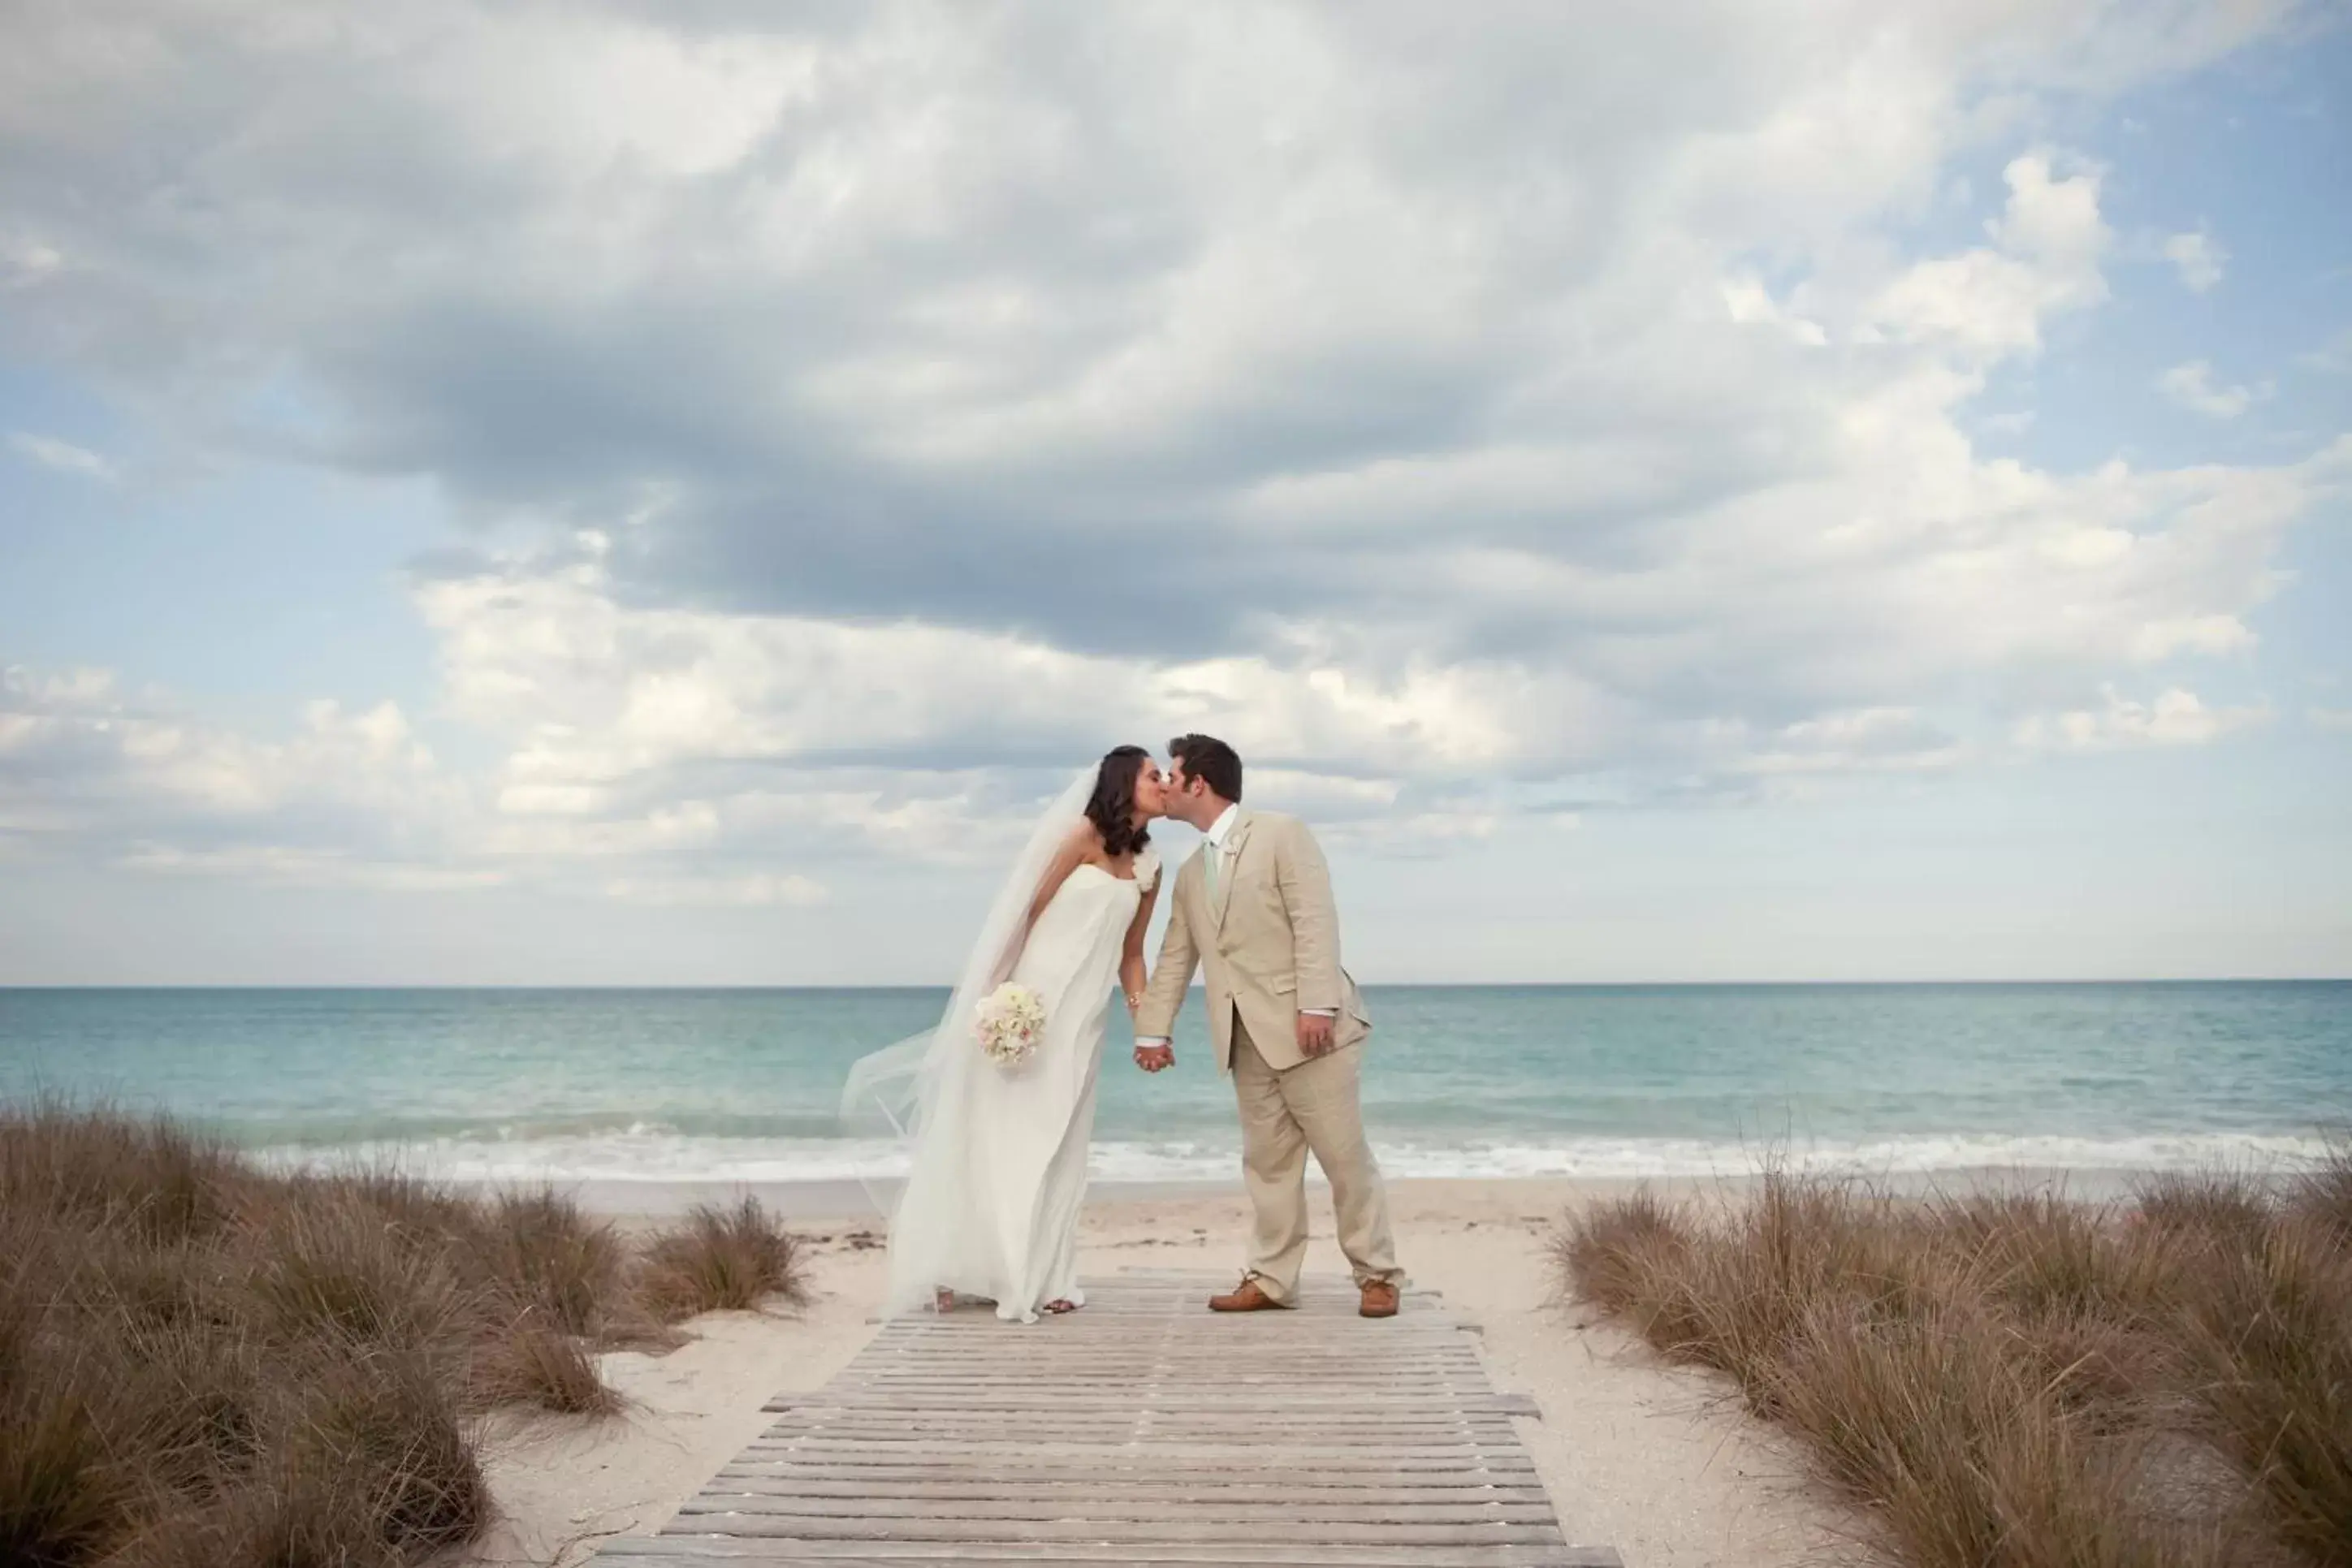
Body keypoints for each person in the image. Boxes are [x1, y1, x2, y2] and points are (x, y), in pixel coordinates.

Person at [842, 747, 1167, 1323]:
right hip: (1031, 1007)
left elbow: (1133, 955)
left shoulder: (1151, 866)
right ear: (1123, 782)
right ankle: (986, 1269)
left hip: (1085, 1019)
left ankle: (1052, 1273)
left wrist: (1148, 1022)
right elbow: (1024, 913)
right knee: (1008, 1137)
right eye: (1152, 774)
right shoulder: (1080, 837)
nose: (1163, 782)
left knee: (1064, 1144)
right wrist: (994, 1000)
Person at [1133, 733, 1404, 1319]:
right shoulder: (1188, 873)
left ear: (1199, 783)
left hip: (1312, 1029)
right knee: (1268, 1165)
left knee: (1343, 1158)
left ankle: (1378, 1274)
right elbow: (1178, 955)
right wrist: (1153, 1030)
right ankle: (1273, 1278)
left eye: (1171, 777)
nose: (1165, 787)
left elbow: (1314, 920)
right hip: (1243, 1037)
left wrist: (1318, 1004)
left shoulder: (1282, 833)